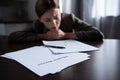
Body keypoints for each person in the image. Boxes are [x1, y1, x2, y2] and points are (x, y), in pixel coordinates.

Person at [8, 0, 104, 43]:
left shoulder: (69, 18)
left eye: (56, 17)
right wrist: (44, 36)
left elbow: (98, 34)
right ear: (40, 20)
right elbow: (13, 37)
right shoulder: (37, 24)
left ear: (60, 12)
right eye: (47, 20)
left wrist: (66, 35)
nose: (54, 23)